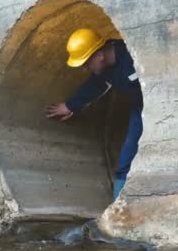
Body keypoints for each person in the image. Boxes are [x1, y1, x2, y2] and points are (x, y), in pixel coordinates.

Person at [45, 28, 143, 200]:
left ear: (99, 55)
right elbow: (95, 85)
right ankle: (118, 204)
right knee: (126, 158)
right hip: (139, 108)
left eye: (86, 63)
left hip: (159, 101)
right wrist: (71, 105)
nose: (85, 68)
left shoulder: (132, 56)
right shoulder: (103, 68)